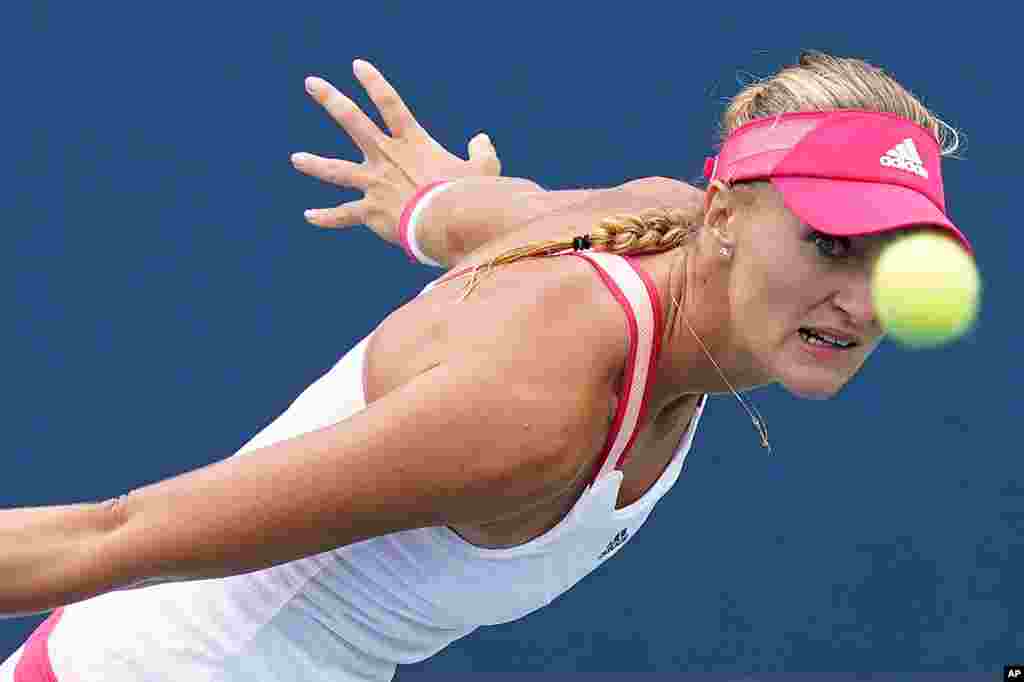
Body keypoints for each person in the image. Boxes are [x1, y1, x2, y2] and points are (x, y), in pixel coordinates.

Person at [0, 51, 970, 681]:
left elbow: (479, 210)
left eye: (897, 259)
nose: (861, 301)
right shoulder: (534, 412)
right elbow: (112, 534)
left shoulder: (661, 220)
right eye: (830, 244)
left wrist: (426, 204)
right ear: (724, 217)